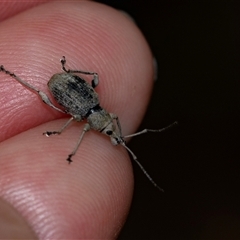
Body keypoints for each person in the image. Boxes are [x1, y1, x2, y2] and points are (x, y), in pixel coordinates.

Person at [0, 1, 155, 238]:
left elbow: (111, 121)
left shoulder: (102, 114)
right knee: (66, 88)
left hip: (71, 91)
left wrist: (116, 134)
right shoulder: (85, 120)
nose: (112, 132)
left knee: (92, 78)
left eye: (109, 131)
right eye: (109, 130)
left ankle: (50, 70)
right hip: (63, 85)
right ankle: (15, 75)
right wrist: (63, 138)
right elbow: (82, 128)